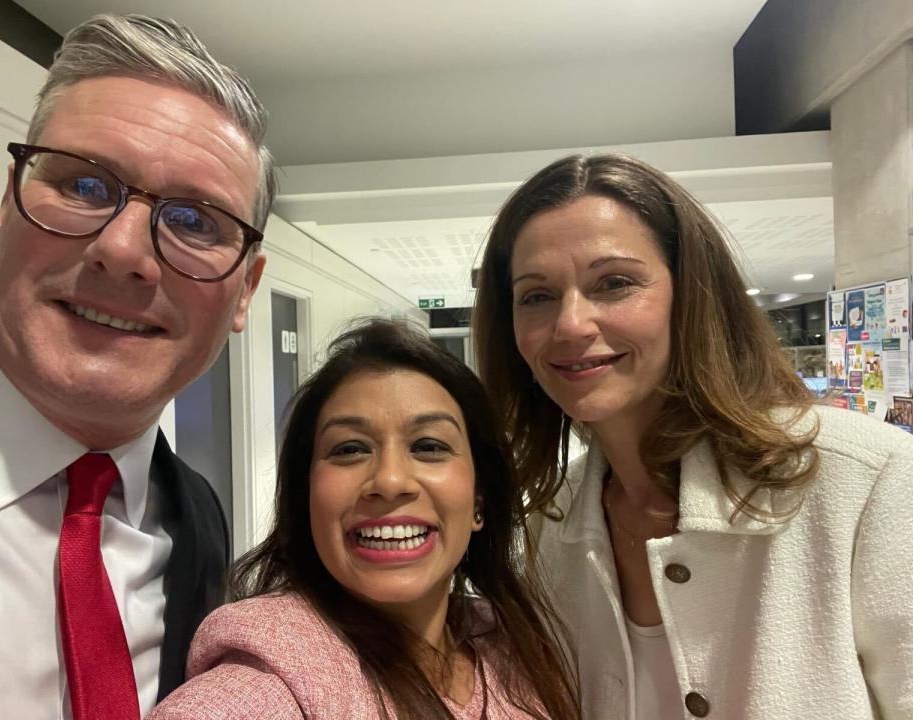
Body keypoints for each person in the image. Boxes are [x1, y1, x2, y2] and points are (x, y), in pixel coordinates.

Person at [472, 154, 913, 719]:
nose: (571, 324)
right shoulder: (544, 530)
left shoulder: (864, 482)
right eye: (537, 295)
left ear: (692, 296)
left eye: (614, 283)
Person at [0, 14, 275, 720]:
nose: (125, 251)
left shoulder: (200, 520)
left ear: (245, 291)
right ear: (4, 209)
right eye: (84, 186)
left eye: (195, 222)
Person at [149, 318, 580, 719]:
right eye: (350, 449)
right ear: (305, 498)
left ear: (480, 499)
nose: (390, 481)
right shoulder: (265, 686)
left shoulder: (514, 647)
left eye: (429, 445)